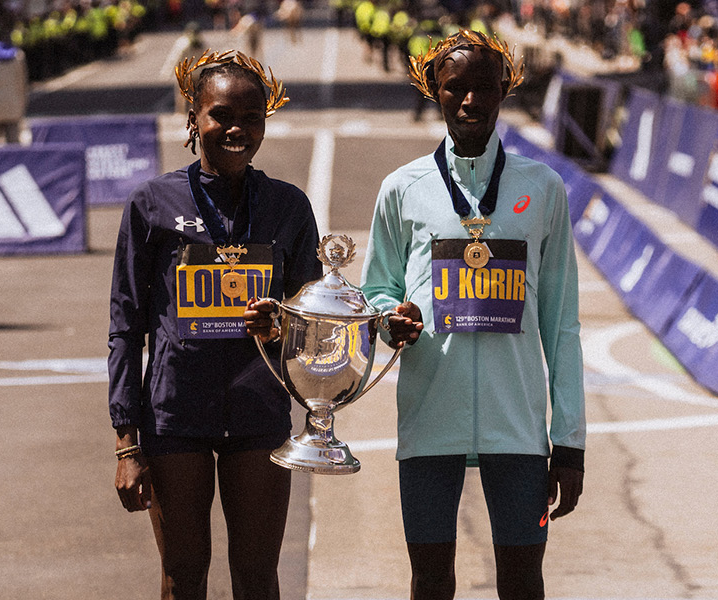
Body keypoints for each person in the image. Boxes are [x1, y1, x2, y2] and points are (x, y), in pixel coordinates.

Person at [349, 30, 588, 599]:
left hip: (520, 428)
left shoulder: (544, 188)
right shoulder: (401, 189)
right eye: (456, 88)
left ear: (506, 88)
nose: (471, 102)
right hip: (431, 420)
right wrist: (389, 319)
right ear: (434, 91)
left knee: (523, 582)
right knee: (431, 581)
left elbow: (563, 324)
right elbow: (375, 288)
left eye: (485, 88)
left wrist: (571, 441)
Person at [109, 50, 321, 599]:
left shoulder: (287, 206)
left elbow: (315, 318)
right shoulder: (152, 204)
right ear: (193, 117)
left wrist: (285, 319)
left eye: (252, 118)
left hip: (258, 413)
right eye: (221, 115)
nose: (236, 129)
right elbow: (126, 326)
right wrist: (126, 442)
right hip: (175, 416)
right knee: (184, 576)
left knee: (256, 578)